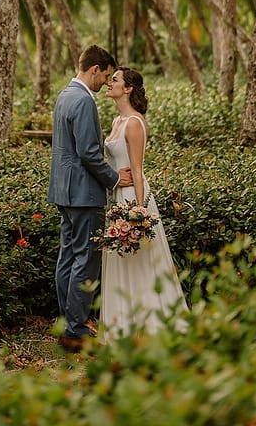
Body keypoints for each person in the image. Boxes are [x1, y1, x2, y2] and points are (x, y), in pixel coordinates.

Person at [47, 44, 133, 352]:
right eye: (106, 75)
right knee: (86, 259)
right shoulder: (83, 101)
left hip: (64, 191)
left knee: (68, 256)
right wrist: (114, 179)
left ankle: (68, 322)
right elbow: (88, 153)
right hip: (84, 194)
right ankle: (76, 330)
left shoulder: (64, 95)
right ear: (94, 69)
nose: (106, 83)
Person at [100, 66, 188, 340]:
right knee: (120, 261)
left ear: (128, 89)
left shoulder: (135, 123)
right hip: (116, 196)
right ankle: (122, 325)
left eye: (114, 80)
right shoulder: (116, 122)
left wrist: (139, 212)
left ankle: (149, 325)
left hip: (132, 198)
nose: (109, 83)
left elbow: (137, 170)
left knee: (139, 260)